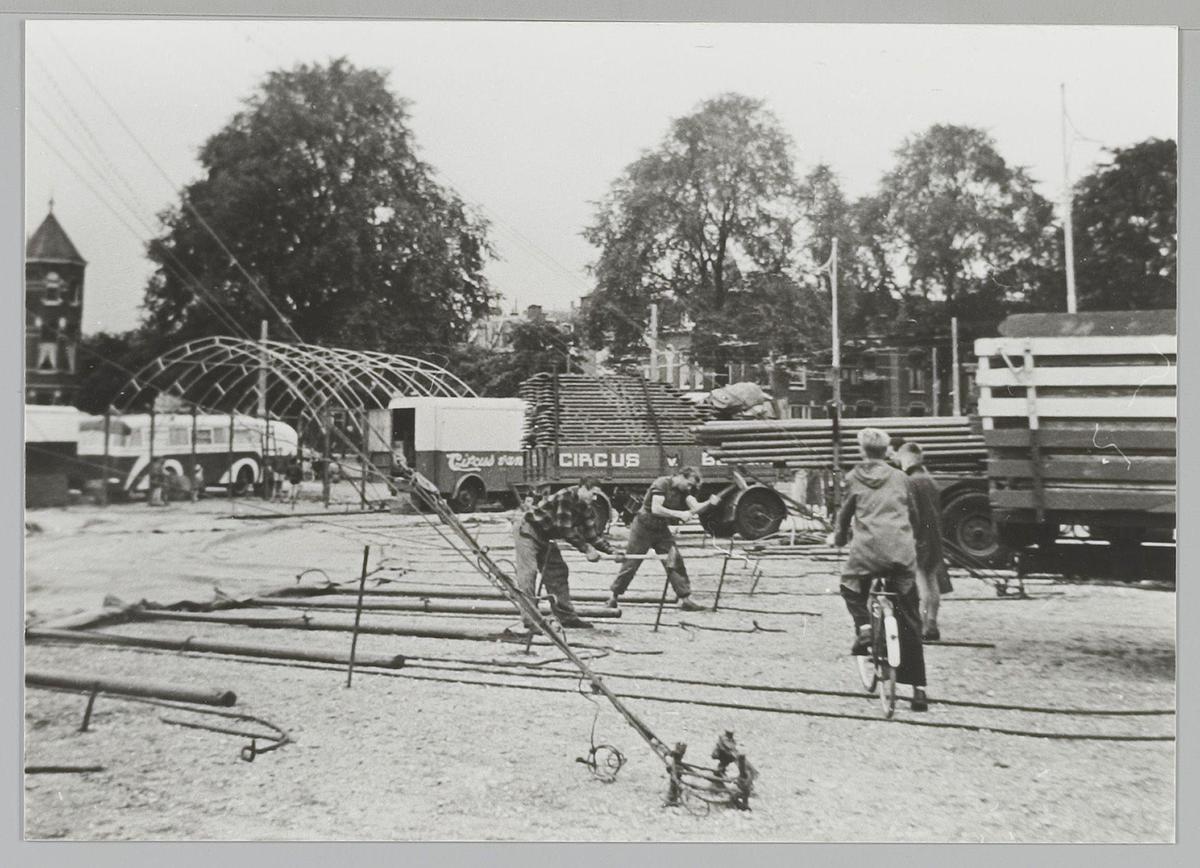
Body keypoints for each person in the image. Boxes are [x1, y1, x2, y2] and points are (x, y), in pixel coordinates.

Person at [827, 428, 929, 712]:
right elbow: (915, 515)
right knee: (910, 616)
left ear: (862, 450)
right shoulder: (902, 478)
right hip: (900, 554)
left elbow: (844, 516)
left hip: (867, 554)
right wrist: (912, 539)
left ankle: (863, 628)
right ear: (886, 451)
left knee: (849, 585)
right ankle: (919, 691)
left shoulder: (853, 478)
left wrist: (838, 539)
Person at [606, 467, 718, 611]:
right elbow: (656, 509)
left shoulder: (683, 491)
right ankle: (613, 597)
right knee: (631, 563)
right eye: (689, 484)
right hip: (643, 527)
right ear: (681, 476)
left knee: (674, 560)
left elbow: (695, 508)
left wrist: (710, 502)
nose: (689, 488)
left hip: (661, 529)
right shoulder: (662, 483)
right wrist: (679, 514)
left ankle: (685, 599)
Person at [514, 477, 615, 629]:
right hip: (528, 531)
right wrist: (586, 549)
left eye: (596, 495)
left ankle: (566, 617)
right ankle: (530, 619)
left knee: (558, 571)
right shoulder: (565, 496)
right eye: (592, 494)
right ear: (582, 488)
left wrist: (612, 551)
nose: (594, 498)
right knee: (528, 573)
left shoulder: (586, 507)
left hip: (546, 536)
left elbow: (592, 535)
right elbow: (564, 529)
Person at [896, 442, 953, 640]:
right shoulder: (930, 481)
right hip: (934, 538)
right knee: (932, 580)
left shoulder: (910, 482)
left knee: (921, 582)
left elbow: (912, 514)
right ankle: (932, 623)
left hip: (919, 538)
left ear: (907, 458)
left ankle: (921, 625)